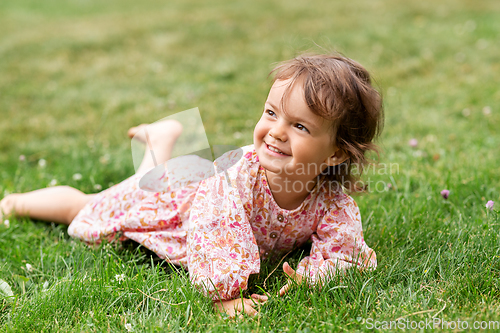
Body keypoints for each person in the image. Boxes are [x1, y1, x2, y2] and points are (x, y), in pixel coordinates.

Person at [0, 53, 383, 318]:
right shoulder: (236, 180)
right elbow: (214, 233)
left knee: (153, 173)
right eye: (271, 113)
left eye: (300, 126)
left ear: (335, 154)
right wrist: (225, 295)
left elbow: (346, 253)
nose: (276, 132)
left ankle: (159, 140)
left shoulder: (332, 202)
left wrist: (314, 277)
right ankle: (12, 203)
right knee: (88, 205)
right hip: (179, 203)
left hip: (190, 184)